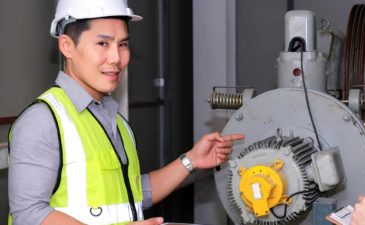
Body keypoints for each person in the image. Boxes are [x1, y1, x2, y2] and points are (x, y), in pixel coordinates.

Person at [7, 0, 245, 224]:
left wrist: (191, 160)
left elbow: (131, 193)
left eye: (123, 44)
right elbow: (28, 214)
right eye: (103, 44)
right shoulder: (43, 120)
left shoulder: (115, 119)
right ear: (67, 46)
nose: (116, 58)